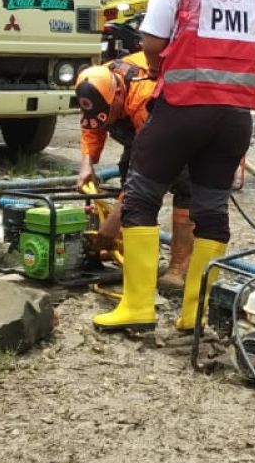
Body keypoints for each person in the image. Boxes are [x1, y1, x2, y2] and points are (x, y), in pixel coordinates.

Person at [91, 0, 255, 332]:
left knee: (141, 197)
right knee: (211, 210)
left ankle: (137, 308)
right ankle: (193, 314)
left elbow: (152, 40)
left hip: (184, 107)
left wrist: (164, 65)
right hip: (235, 117)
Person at [74, 54, 195, 293]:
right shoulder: (95, 82)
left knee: (185, 187)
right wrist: (87, 164)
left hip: (181, 131)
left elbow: (147, 167)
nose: (106, 121)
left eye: (109, 114)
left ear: (119, 94)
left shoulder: (144, 97)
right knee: (126, 173)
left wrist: (114, 219)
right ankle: (126, 247)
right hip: (144, 136)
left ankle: (179, 267)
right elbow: (92, 126)